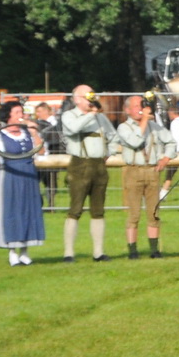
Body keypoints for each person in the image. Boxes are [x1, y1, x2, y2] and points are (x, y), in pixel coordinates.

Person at [0, 103, 46, 264]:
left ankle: (25, 251)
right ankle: (12, 251)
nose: (21, 114)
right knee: (11, 211)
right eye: (17, 112)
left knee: (28, 210)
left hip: (28, 175)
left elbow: (41, 151)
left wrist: (33, 131)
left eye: (22, 111)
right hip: (9, 175)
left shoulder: (27, 133)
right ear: (8, 116)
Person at [60, 84, 115, 261]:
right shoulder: (69, 115)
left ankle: (98, 252)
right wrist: (91, 114)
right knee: (75, 209)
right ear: (76, 99)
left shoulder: (101, 118)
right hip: (80, 164)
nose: (91, 99)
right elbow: (74, 129)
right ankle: (68, 252)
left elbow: (113, 136)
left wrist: (108, 152)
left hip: (99, 165)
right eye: (86, 96)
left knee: (98, 210)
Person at [115, 94, 173, 259]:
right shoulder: (124, 127)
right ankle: (133, 251)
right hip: (133, 171)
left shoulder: (154, 126)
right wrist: (145, 121)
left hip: (152, 171)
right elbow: (135, 141)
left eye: (142, 105)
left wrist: (166, 158)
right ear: (127, 110)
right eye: (136, 106)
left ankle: (154, 250)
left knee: (153, 213)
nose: (140, 109)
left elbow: (171, 142)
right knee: (134, 214)